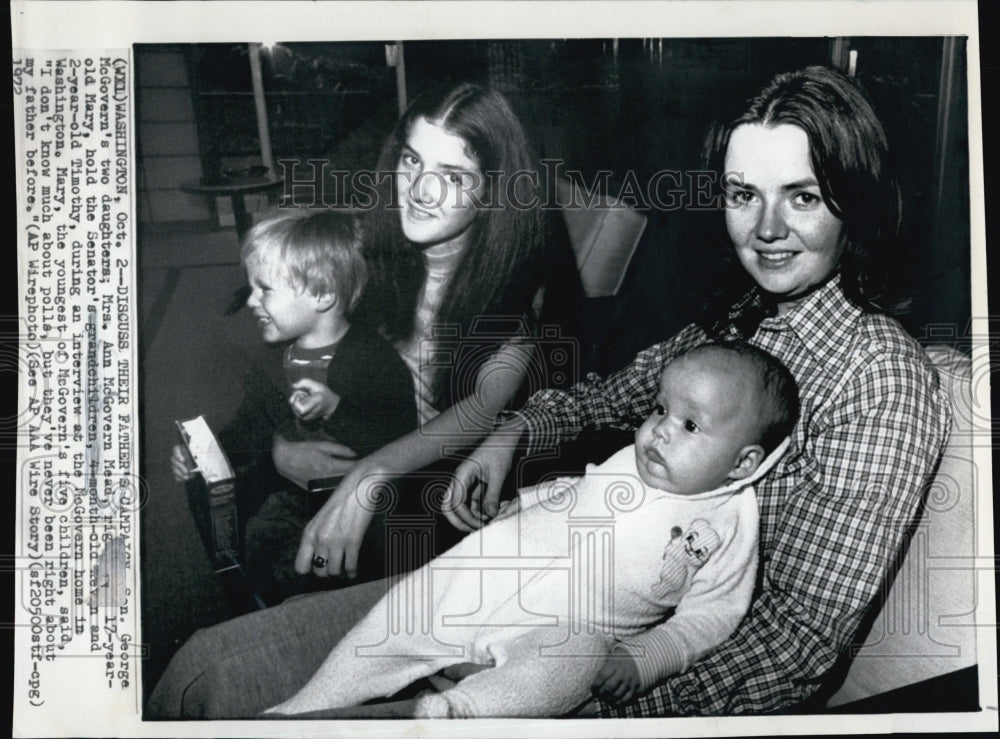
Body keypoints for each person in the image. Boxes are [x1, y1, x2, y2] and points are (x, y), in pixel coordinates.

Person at [147, 66, 950, 719]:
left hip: (584, 666)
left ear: (856, 199)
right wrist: (514, 435)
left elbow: (793, 647)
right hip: (513, 573)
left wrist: (576, 701)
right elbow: (607, 396)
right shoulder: (735, 317)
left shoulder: (879, 379)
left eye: (802, 195)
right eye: (744, 194)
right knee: (203, 669)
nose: (765, 228)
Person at [264, 342, 799, 718]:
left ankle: (457, 713)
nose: (659, 430)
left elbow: (712, 617)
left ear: (742, 461)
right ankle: (302, 708)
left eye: (690, 424)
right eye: (660, 409)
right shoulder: (634, 460)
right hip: (493, 568)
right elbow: (578, 488)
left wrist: (646, 657)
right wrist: (523, 502)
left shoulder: (728, 524)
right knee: (402, 613)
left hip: (566, 624)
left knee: (574, 661)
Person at [269, 82, 580, 584]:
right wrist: (278, 446)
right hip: (355, 440)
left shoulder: (523, 283)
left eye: (452, 176)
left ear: (492, 192)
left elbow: (483, 407)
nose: (419, 191)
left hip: (439, 484)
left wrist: (372, 471)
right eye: (412, 161)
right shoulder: (366, 251)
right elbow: (294, 352)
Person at [170, 210, 417, 600]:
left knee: (337, 569)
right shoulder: (271, 361)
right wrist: (204, 453)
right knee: (259, 544)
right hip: (295, 497)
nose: (251, 301)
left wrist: (336, 409)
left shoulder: (372, 359)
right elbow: (251, 426)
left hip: (363, 510)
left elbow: (398, 437)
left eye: (264, 289)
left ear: (322, 294)